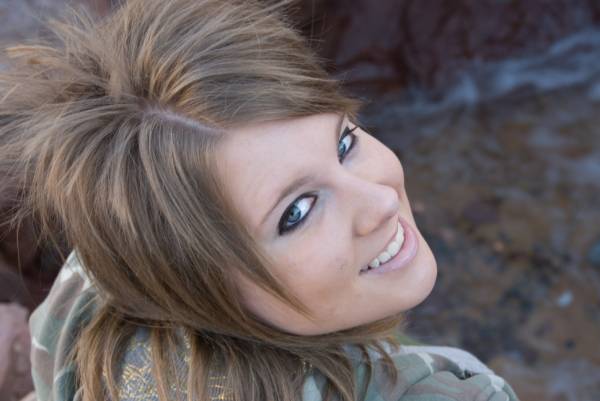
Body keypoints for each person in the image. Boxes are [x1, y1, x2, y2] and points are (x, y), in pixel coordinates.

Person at [0, 0, 520, 400]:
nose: (380, 201)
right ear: (194, 284)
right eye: (297, 212)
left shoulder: (90, 294)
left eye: (344, 144)